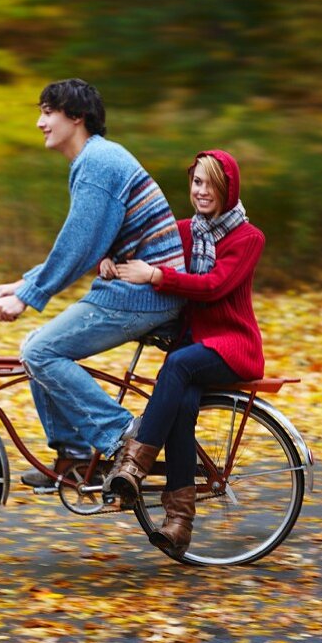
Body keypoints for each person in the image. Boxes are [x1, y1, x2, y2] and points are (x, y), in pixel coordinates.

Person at [0, 78, 184, 486]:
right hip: (131, 290)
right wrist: (24, 283)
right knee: (36, 347)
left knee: (41, 351)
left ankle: (123, 435)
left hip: (145, 293)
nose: (40, 122)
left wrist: (28, 295)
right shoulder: (93, 162)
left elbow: (78, 245)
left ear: (76, 117)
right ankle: (75, 457)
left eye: (48, 112)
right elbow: (82, 242)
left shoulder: (98, 162)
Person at [103, 149, 265, 558]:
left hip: (232, 345)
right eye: (197, 182)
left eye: (212, 183)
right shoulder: (187, 231)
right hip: (194, 349)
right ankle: (178, 523)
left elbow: (213, 284)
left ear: (229, 189)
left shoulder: (248, 238)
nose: (203, 191)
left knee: (177, 365)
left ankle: (134, 466)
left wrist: (157, 275)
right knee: (181, 411)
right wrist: (110, 260)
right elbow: (141, 244)